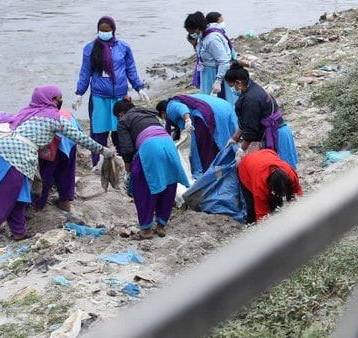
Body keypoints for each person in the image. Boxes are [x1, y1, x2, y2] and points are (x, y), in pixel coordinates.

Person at [0, 86, 111, 247]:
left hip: (12, 156)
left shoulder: (27, 112)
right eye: (58, 99)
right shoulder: (53, 118)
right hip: (10, 157)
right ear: (49, 100)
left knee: (18, 197)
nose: (60, 102)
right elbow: (79, 137)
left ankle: (19, 232)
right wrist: (103, 150)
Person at [74, 15, 148, 166]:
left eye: (107, 30)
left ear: (113, 31)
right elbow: (85, 72)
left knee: (121, 131)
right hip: (99, 97)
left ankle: (124, 160)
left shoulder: (124, 48)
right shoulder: (90, 48)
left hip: (119, 97)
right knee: (98, 132)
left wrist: (139, 88)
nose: (104, 32)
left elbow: (130, 70)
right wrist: (79, 93)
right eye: (101, 30)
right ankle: (98, 163)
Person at [114, 99, 190, 239]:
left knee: (143, 187)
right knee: (168, 183)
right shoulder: (148, 114)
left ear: (121, 114)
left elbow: (127, 149)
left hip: (150, 147)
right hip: (168, 145)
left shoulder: (123, 121)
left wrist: (128, 172)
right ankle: (160, 225)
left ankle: (146, 229)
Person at [224, 63, 299, 169]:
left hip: (277, 135)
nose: (232, 90)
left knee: (283, 173)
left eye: (232, 86)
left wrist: (242, 149)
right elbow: (245, 121)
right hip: (272, 131)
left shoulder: (251, 99)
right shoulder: (250, 87)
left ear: (238, 83)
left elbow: (251, 129)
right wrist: (235, 138)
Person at [156, 93, 238, 176]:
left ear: (163, 113)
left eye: (162, 117)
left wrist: (187, 120)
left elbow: (182, 109)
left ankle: (212, 176)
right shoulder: (186, 98)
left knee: (205, 150)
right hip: (224, 108)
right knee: (222, 143)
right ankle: (227, 170)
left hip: (208, 114)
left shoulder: (171, 107)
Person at [31, 102, 85, 214]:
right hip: (70, 144)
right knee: (67, 172)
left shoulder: (36, 115)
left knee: (45, 174)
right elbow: (79, 131)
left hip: (53, 144)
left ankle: (38, 204)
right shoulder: (66, 113)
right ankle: (64, 200)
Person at [237, 148, 302, 223]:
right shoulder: (260, 186)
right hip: (246, 168)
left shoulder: (291, 176)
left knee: (277, 205)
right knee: (252, 209)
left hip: (266, 155)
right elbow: (262, 216)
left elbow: (297, 195)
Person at [186, 11, 237, 105]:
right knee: (209, 101)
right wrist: (194, 45)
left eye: (191, 32)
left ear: (198, 28)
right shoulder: (203, 36)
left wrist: (218, 80)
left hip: (215, 73)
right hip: (207, 73)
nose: (191, 34)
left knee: (221, 102)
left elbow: (224, 61)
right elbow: (203, 53)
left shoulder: (212, 39)